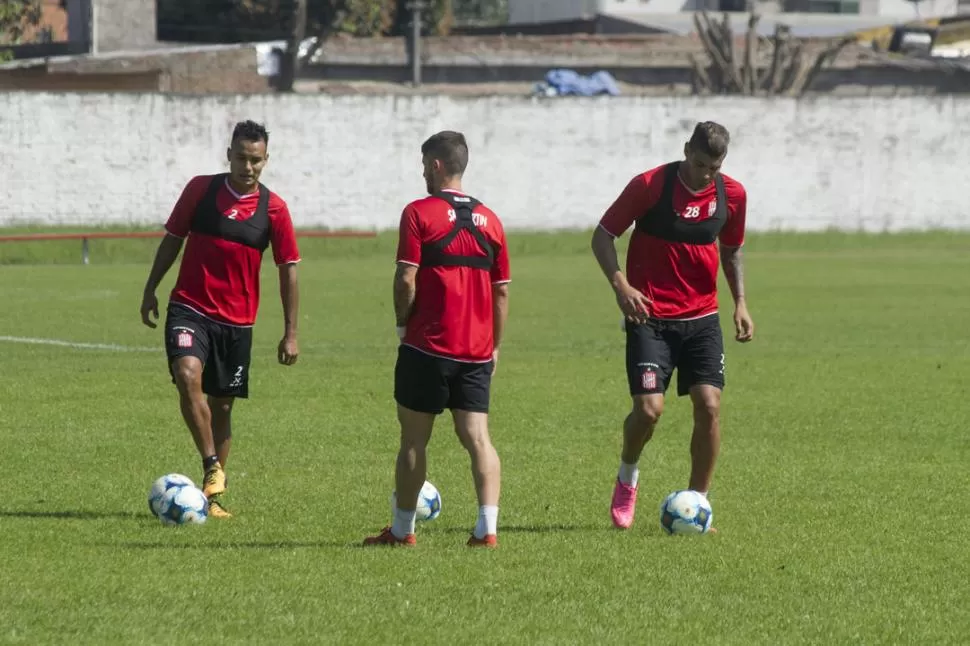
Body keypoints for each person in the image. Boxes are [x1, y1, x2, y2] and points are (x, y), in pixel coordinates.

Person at [590, 121, 754, 532]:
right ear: (686, 151)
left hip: (702, 318)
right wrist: (621, 286)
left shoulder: (731, 195)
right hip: (650, 317)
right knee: (649, 411)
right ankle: (628, 476)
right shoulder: (650, 186)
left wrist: (741, 303)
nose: (705, 175)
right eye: (699, 164)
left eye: (714, 168)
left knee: (710, 405)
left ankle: (698, 502)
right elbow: (603, 236)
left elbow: (731, 252)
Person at [139, 120, 301, 519]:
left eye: (256, 160)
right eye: (242, 158)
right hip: (190, 307)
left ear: (266, 160)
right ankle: (211, 464)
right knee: (187, 374)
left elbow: (288, 270)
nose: (248, 167)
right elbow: (173, 239)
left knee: (223, 407)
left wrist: (290, 333)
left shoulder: (274, 209)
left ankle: (212, 498)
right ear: (228, 154)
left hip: (237, 322)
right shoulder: (201, 189)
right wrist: (150, 287)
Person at [363, 130, 511, 548]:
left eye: (422, 163)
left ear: (435, 165)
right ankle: (488, 529)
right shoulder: (493, 220)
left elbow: (405, 277)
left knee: (413, 440)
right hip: (477, 349)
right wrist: (494, 344)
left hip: (427, 345)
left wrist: (401, 322)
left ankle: (402, 530)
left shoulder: (418, 213)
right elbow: (502, 291)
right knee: (478, 437)